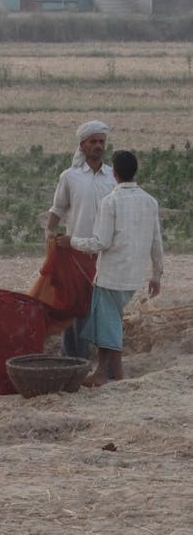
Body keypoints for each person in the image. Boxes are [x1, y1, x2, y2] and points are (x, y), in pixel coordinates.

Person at [56, 150, 163, 386]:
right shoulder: (150, 201)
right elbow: (156, 241)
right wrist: (156, 275)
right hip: (134, 275)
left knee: (109, 323)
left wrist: (71, 241)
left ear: (114, 173)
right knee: (109, 321)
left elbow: (101, 242)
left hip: (111, 275)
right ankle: (104, 371)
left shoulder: (110, 201)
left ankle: (116, 374)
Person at [44, 119, 116, 359]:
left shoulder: (112, 178)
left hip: (105, 252)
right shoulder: (70, 177)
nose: (98, 146)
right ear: (82, 145)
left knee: (100, 305)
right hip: (75, 252)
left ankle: (94, 356)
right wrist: (49, 231)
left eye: (101, 142)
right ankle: (72, 357)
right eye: (93, 141)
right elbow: (58, 208)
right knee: (73, 304)